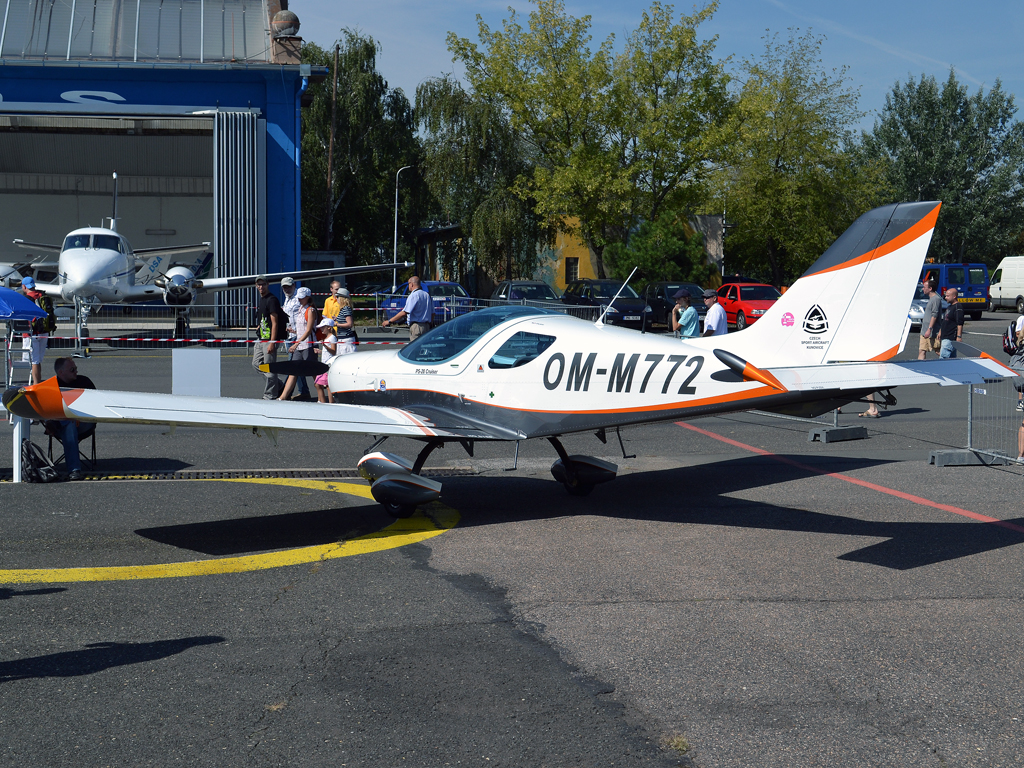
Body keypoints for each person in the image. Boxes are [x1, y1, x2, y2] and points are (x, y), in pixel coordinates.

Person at [48, 357, 96, 481]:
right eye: (72, 369)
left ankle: (74, 469)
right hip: (63, 425)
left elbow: (97, 404)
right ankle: (74, 470)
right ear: (61, 372)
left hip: (84, 422)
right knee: (69, 424)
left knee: (67, 422)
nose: (76, 372)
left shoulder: (84, 382)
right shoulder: (51, 387)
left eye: (76, 369)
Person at [253, 276, 288, 400]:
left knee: (269, 367)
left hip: (269, 339)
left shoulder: (272, 300)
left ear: (268, 284)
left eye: (263, 284)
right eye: (259, 285)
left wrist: (272, 342)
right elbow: (264, 318)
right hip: (261, 337)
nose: (261, 287)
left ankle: (270, 395)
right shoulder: (262, 299)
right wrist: (259, 326)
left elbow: (275, 322)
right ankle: (278, 385)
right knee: (256, 364)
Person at [278, 287, 316, 401]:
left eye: (302, 297)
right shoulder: (300, 309)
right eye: (299, 297)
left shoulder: (311, 310)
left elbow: (308, 330)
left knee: (315, 372)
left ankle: (328, 395)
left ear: (307, 297)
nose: (299, 299)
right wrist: (294, 331)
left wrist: (296, 343)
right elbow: (302, 328)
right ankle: (283, 397)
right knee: (293, 371)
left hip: (308, 345)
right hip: (300, 345)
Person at [19, 276, 54, 384]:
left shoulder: (26, 299)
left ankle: (36, 383)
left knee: (34, 361)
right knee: (37, 361)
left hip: (31, 333)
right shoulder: (43, 296)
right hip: (44, 332)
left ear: (24, 286)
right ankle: (35, 381)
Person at [381, 276, 434, 340]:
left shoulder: (413, 295)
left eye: (408, 283)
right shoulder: (427, 295)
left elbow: (405, 312)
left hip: (416, 326)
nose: (408, 286)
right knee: (424, 347)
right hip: (427, 326)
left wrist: (389, 321)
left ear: (411, 284)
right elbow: (433, 313)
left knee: (415, 348)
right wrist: (430, 324)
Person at [313, 317, 337, 403]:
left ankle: (329, 403)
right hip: (324, 364)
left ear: (329, 328)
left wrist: (325, 346)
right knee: (319, 384)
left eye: (323, 327)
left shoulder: (332, 338)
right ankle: (325, 402)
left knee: (324, 385)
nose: (321, 329)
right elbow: (328, 351)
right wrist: (320, 351)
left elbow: (333, 351)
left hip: (328, 365)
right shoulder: (327, 338)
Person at [936, 287, 964, 359]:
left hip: (950, 338)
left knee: (943, 358)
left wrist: (959, 336)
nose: (946, 298)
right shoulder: (949, 307)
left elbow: (959, 323)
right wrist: (940, 332)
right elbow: (945, 321)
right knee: (952, 359)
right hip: (945, 336)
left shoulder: (958, 307)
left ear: (954, 296)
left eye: (948, 296)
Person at [918, 279, 941, 360]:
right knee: (922, 350)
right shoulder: (931, 299)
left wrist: (929, 329)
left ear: (930, 288)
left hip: (932, 332)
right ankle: (921, 367)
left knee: (938, 351)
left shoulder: (936, 299)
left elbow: (934, 315)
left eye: (924, 287)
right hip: (924, 331)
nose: (923, 289)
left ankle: (951, 364)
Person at [333, 289, 357, 356]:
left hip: (346, 339)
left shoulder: (346, 308)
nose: (336, 299)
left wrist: (336, 324)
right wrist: (336, 319)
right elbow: (344, 319)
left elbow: (349, 324)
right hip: (342, 338)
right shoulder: (343, 309)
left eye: (337, 297)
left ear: (342, 298)